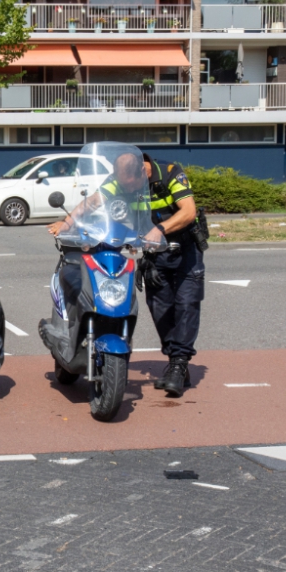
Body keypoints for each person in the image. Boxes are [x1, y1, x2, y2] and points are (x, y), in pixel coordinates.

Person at [47, 151, 202, 397]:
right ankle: (176, 362)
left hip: (183, 249)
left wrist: (160, 229)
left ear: (143, 171)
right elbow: (94, 201)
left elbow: (188, 211)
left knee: (186, 305)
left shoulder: (171, 173)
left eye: (130, 184)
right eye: (122, 183)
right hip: (153, 251)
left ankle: (179, 364)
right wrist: (67, 224)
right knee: (159, 306)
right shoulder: (118, 180)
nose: (125, 188)